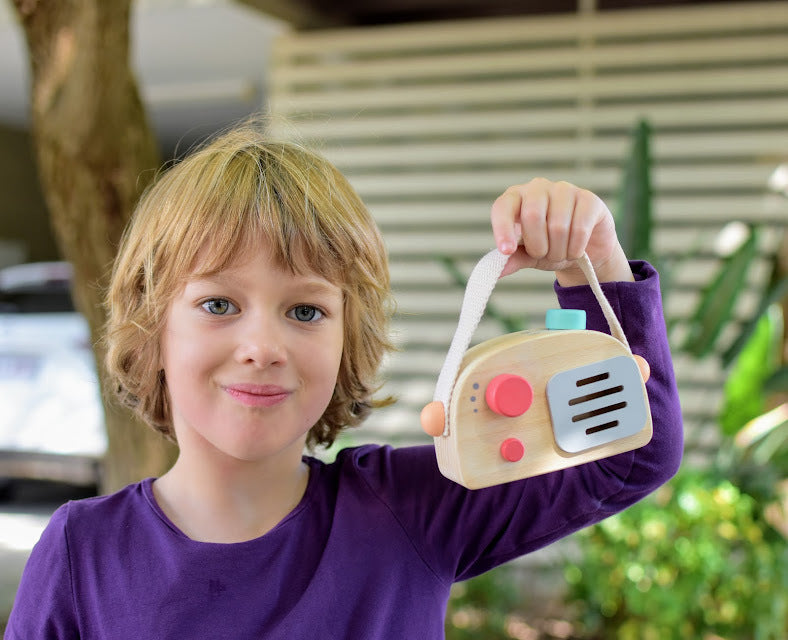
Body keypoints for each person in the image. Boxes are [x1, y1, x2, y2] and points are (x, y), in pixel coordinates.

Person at [5, 124, 683, 639]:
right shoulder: (80, 554)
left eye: (305, 311)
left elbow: (630, 454)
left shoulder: (412, 509)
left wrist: (595, 263)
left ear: (346, 341)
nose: (262, 348)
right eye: (218, 304)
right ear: (153, 328)